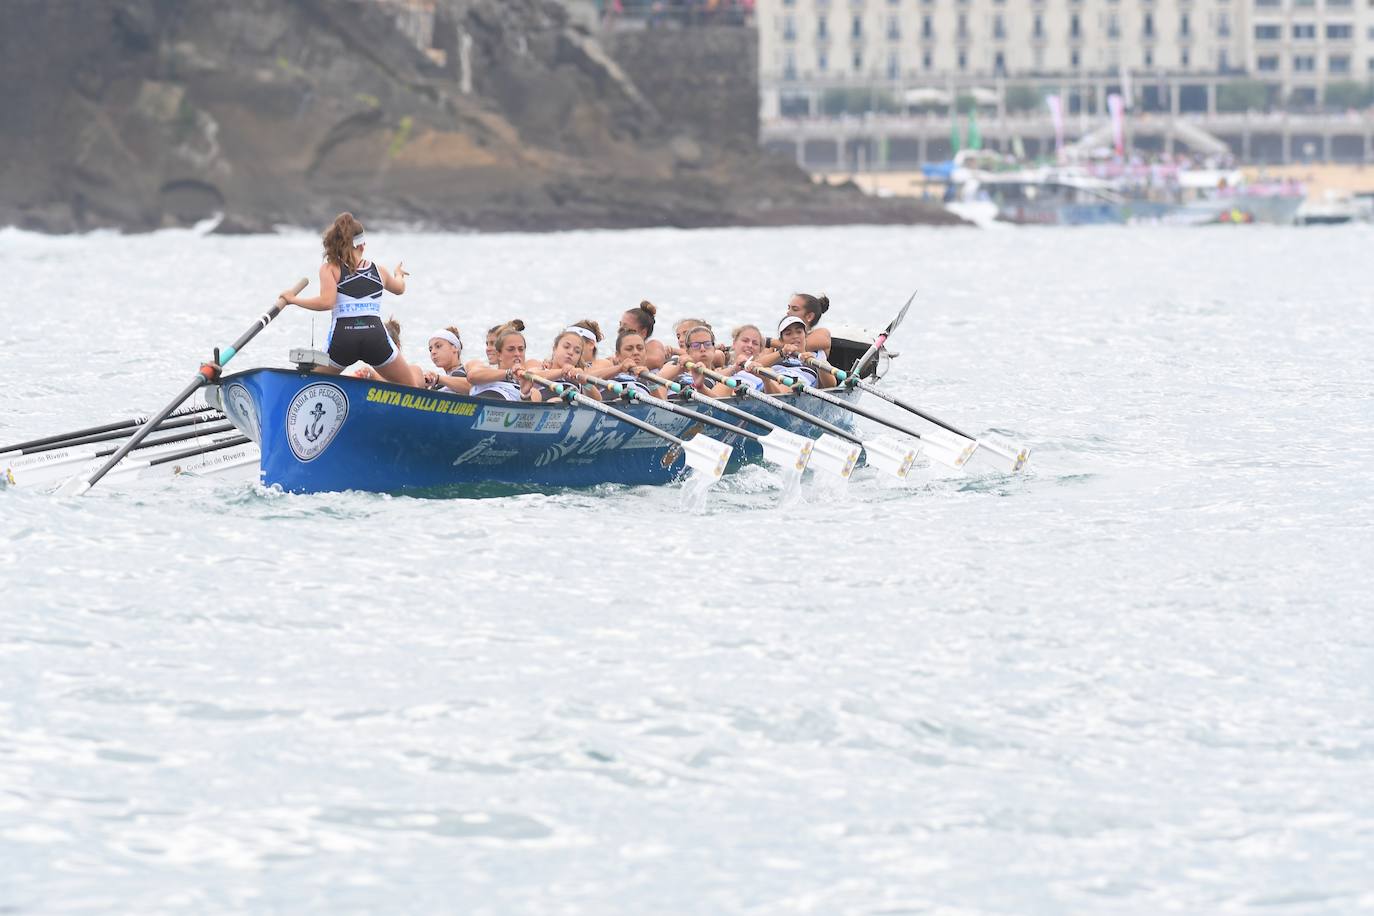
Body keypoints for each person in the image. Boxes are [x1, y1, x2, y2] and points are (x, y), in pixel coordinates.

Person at [280, 212, 418, 386]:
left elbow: (326, 302)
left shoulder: (330, 268)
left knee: (310, 384)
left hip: (344, 339)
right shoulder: (379, 271)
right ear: (363, 245)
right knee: (410, 386)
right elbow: (399, 289)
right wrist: (398, 274)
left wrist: (293, 299)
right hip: (374, 337)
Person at [753, 315, 836, 393]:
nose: (795, 336)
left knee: (824, 364)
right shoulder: (776, 355)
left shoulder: (816, 357)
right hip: (769, 383)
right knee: (767, 371)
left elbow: (831, 385)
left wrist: (817, 363)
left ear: (805, 335)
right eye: (788, 334)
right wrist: (781, 353)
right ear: (781, 340)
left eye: (799, 332)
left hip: (796, 386)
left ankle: (770, 386)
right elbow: (753, 366)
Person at [525, 330, 600, 402]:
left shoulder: (578, 378)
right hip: (539, 410)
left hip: (568, 411)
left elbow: (598, 400)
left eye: (577, 351)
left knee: (558, 401)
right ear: (555, 348)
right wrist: (561, 372)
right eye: (566, 347)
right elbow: (527, 378)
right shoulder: (542, 369)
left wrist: (585, 383)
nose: (571, 352)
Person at [466, 321, 532, 400]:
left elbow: (532, 408)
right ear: (499, 354)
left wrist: (526, 394)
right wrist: (509, 373)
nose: (517, 354)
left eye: (521, 349)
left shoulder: (531, 383)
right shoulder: (484, 372)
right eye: (511, 349)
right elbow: (471, 376)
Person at [695, 323, 766, 397]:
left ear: (760, 350)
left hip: (751, 402)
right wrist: (734, 368)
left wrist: (766, 380)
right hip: (720, 399)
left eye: (755, 343)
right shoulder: (722, 370)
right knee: (727, 385)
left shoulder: (766, 371)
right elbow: (708, 380)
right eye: (745, 341)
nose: (750, 345)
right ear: (734, 343)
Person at [604, 329, 668, 400]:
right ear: (617, 355)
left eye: (640, 348)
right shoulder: (607, 375)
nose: (636, 352)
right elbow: (589, 380)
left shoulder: (655, 380)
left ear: (646, 354)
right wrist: (619, 368)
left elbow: (661, 409)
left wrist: (650, 380)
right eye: (629, 349)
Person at [618, 300, 668, 370]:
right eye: (620, 325)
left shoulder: (653, 344)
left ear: (643, 333)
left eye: (625, 327)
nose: (619, 330)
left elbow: (656, 360)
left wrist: (620, 363)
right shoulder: (619, 352)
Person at [424, 327, 470, 395]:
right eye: (430, 349)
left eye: (438, 346)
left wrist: (438, 379)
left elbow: (473, 388)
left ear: (455, 348)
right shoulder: (440, 383)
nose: (433, 352)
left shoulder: (467, 372)